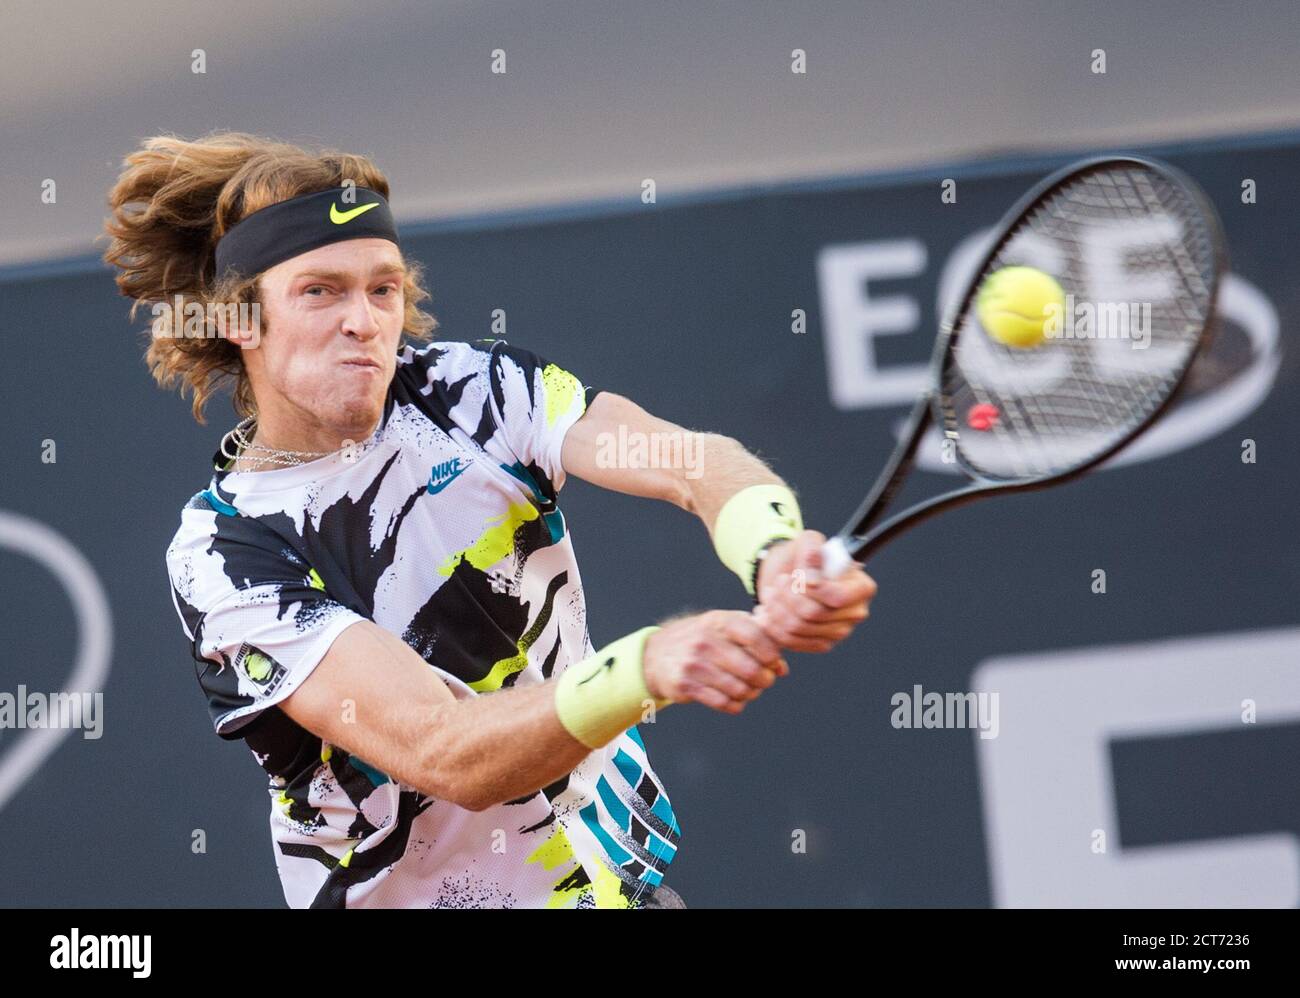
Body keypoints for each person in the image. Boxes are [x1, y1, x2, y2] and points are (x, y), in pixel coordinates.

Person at [102, 131, 877, 909]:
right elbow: (447, 753)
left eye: (384, 289)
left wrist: (771, 545)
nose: (364, 321)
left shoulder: (474, 390)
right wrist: (644, 666)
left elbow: (687, 461)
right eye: (321, 290)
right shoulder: (225, 551)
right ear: (241, 318)